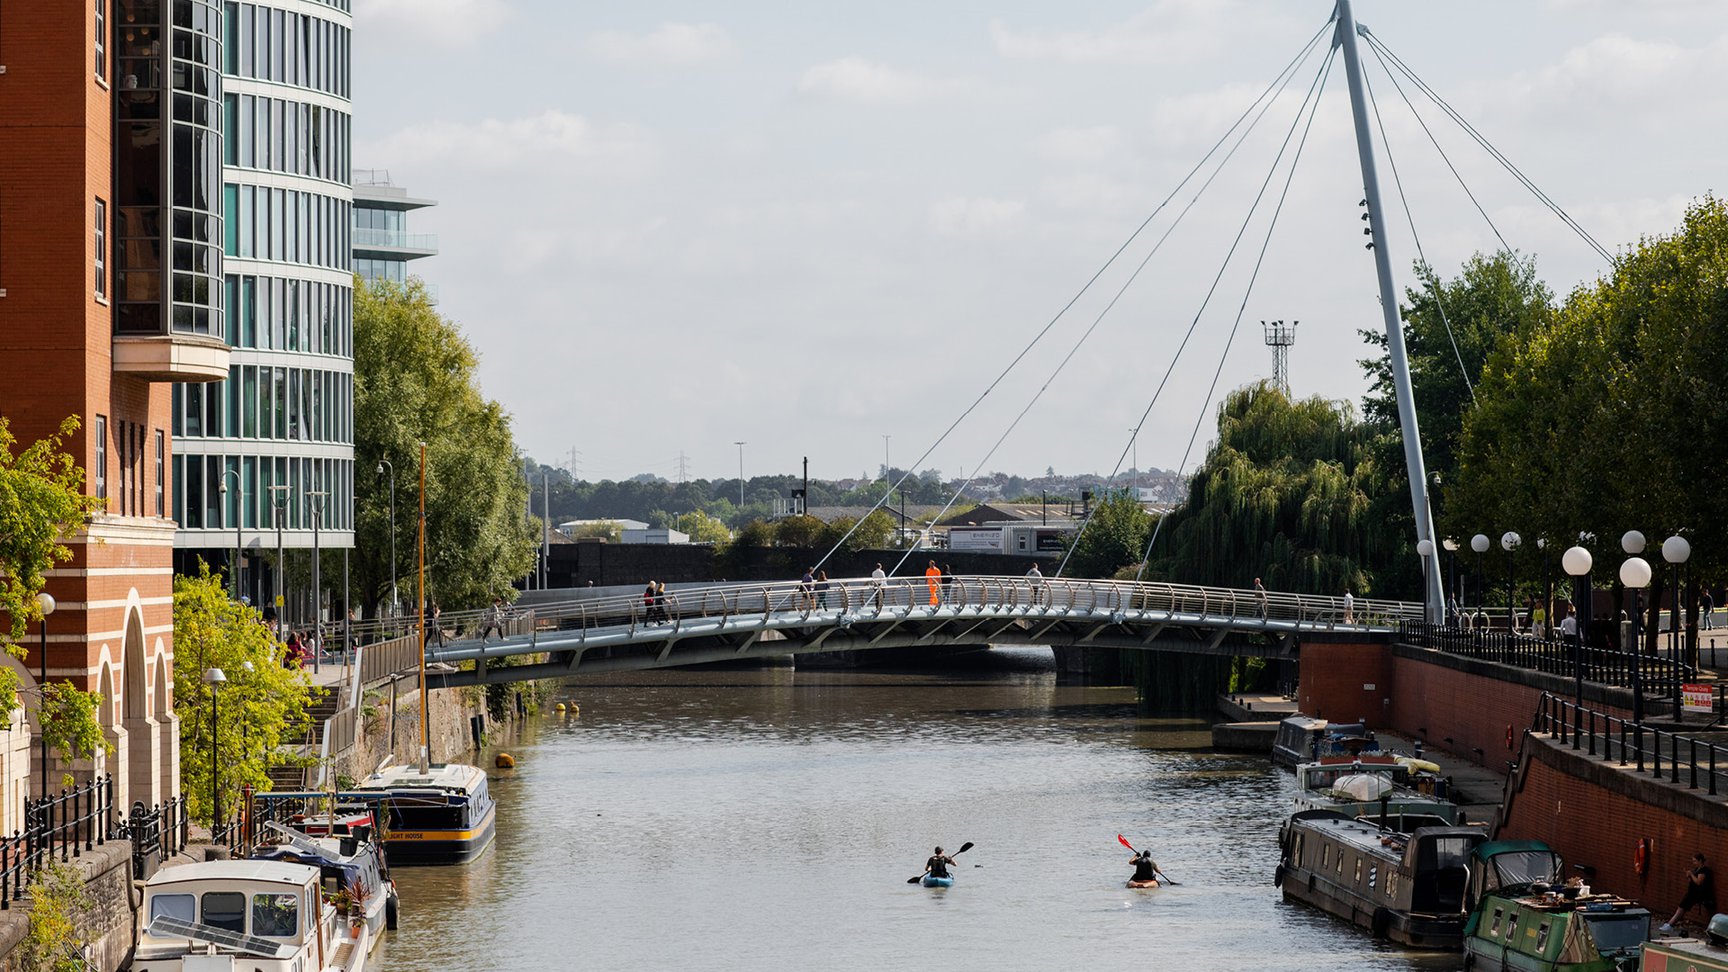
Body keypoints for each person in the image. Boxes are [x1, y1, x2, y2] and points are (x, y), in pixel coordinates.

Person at [1664, 852, 1716, 934]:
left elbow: (1699, 882)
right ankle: (1670, 924)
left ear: (1700, 861)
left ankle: (1670, 924)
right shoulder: (1696, 870)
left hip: (1696, 894)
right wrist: (1688, 876)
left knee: (1681, 907)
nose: (1693, 863)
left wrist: (1691, 874)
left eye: (1695, 861)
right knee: (1682, 907)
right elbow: (1692, 881)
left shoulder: (1703, 870)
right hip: (1692, 892)